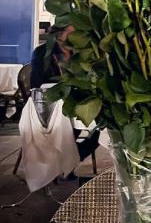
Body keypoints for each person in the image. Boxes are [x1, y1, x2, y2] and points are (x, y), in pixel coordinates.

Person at [30, 25, 99, 161]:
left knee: (100, 128)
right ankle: (65, 161)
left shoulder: (79, 54)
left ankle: (71, 158)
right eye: (72, 33)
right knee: (70, 123)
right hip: (49, 103)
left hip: (74, 101)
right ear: (59, 34)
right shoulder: (43, 53)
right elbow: (40, 83)